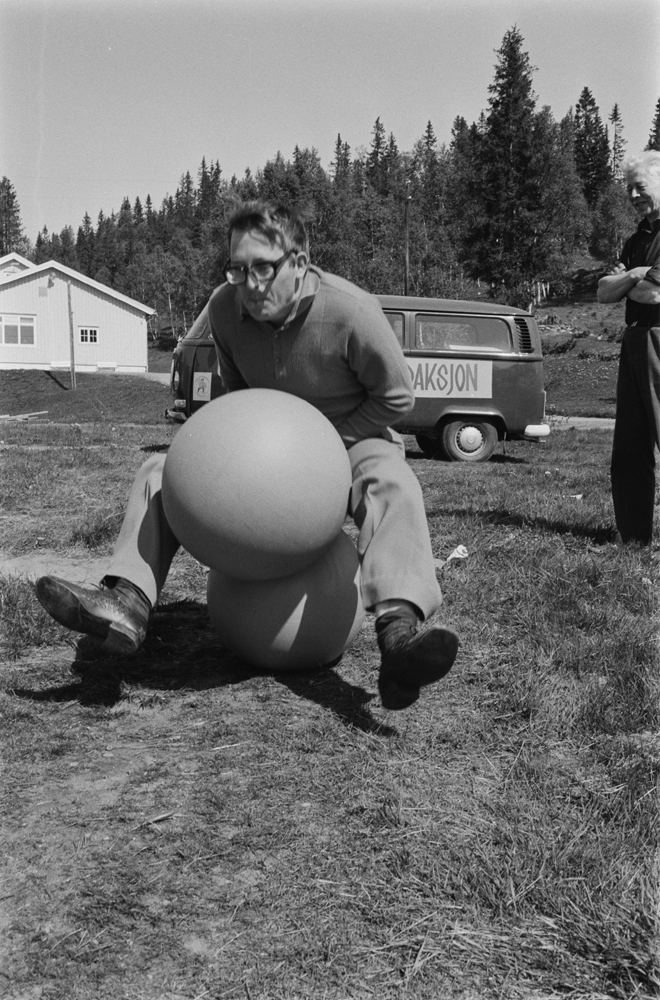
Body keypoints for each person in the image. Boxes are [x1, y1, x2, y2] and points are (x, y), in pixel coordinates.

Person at [35, 201, 459, 710]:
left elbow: (397, 398)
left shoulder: (352, 310)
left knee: (392, 480)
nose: (249, 283)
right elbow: (237, 402)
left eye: (264, 268)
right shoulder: (224, 309)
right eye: (238, 268)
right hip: (267, 457)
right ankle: (127, 600)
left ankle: (399, 636)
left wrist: (323, 441)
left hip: (350, 443)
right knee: (160, 470)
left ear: (300, 263)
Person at [597, 151, 660, 545]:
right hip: (634, 339)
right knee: (631, 442)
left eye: (641, 186)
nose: (634, 195)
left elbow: (654, 297)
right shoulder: (638, 238)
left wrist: (631, 279)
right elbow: (604, 292)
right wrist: (636, 276)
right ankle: (634, 536)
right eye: (630, 189)